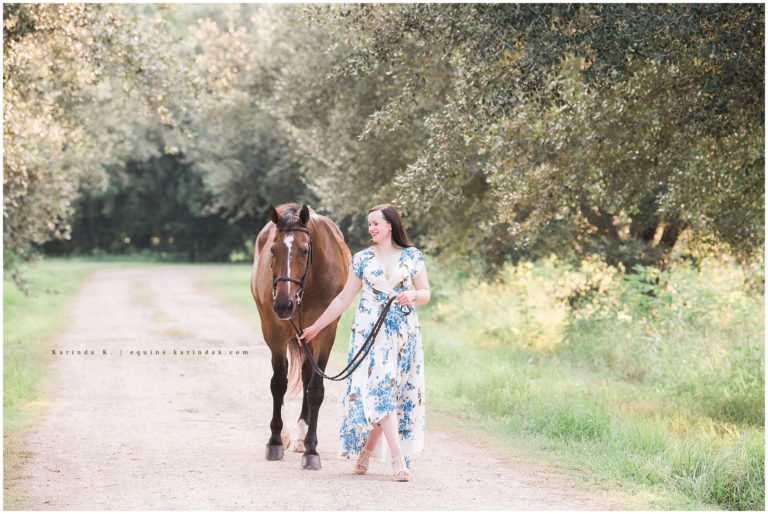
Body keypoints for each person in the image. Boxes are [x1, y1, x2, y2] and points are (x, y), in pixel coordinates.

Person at [299, 204, 430, 482]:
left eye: (376, 223)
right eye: (369, 224)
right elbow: (343, 299)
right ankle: (398, 459)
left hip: (404, 333)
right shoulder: (361, 259)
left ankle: (366, 454)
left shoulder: (412, 256)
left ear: (390, 225)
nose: (371, 228)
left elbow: (426, 292)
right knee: (380, 389)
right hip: (369, 333)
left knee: (394, 393)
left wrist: (413, 295)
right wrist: (315, 327)